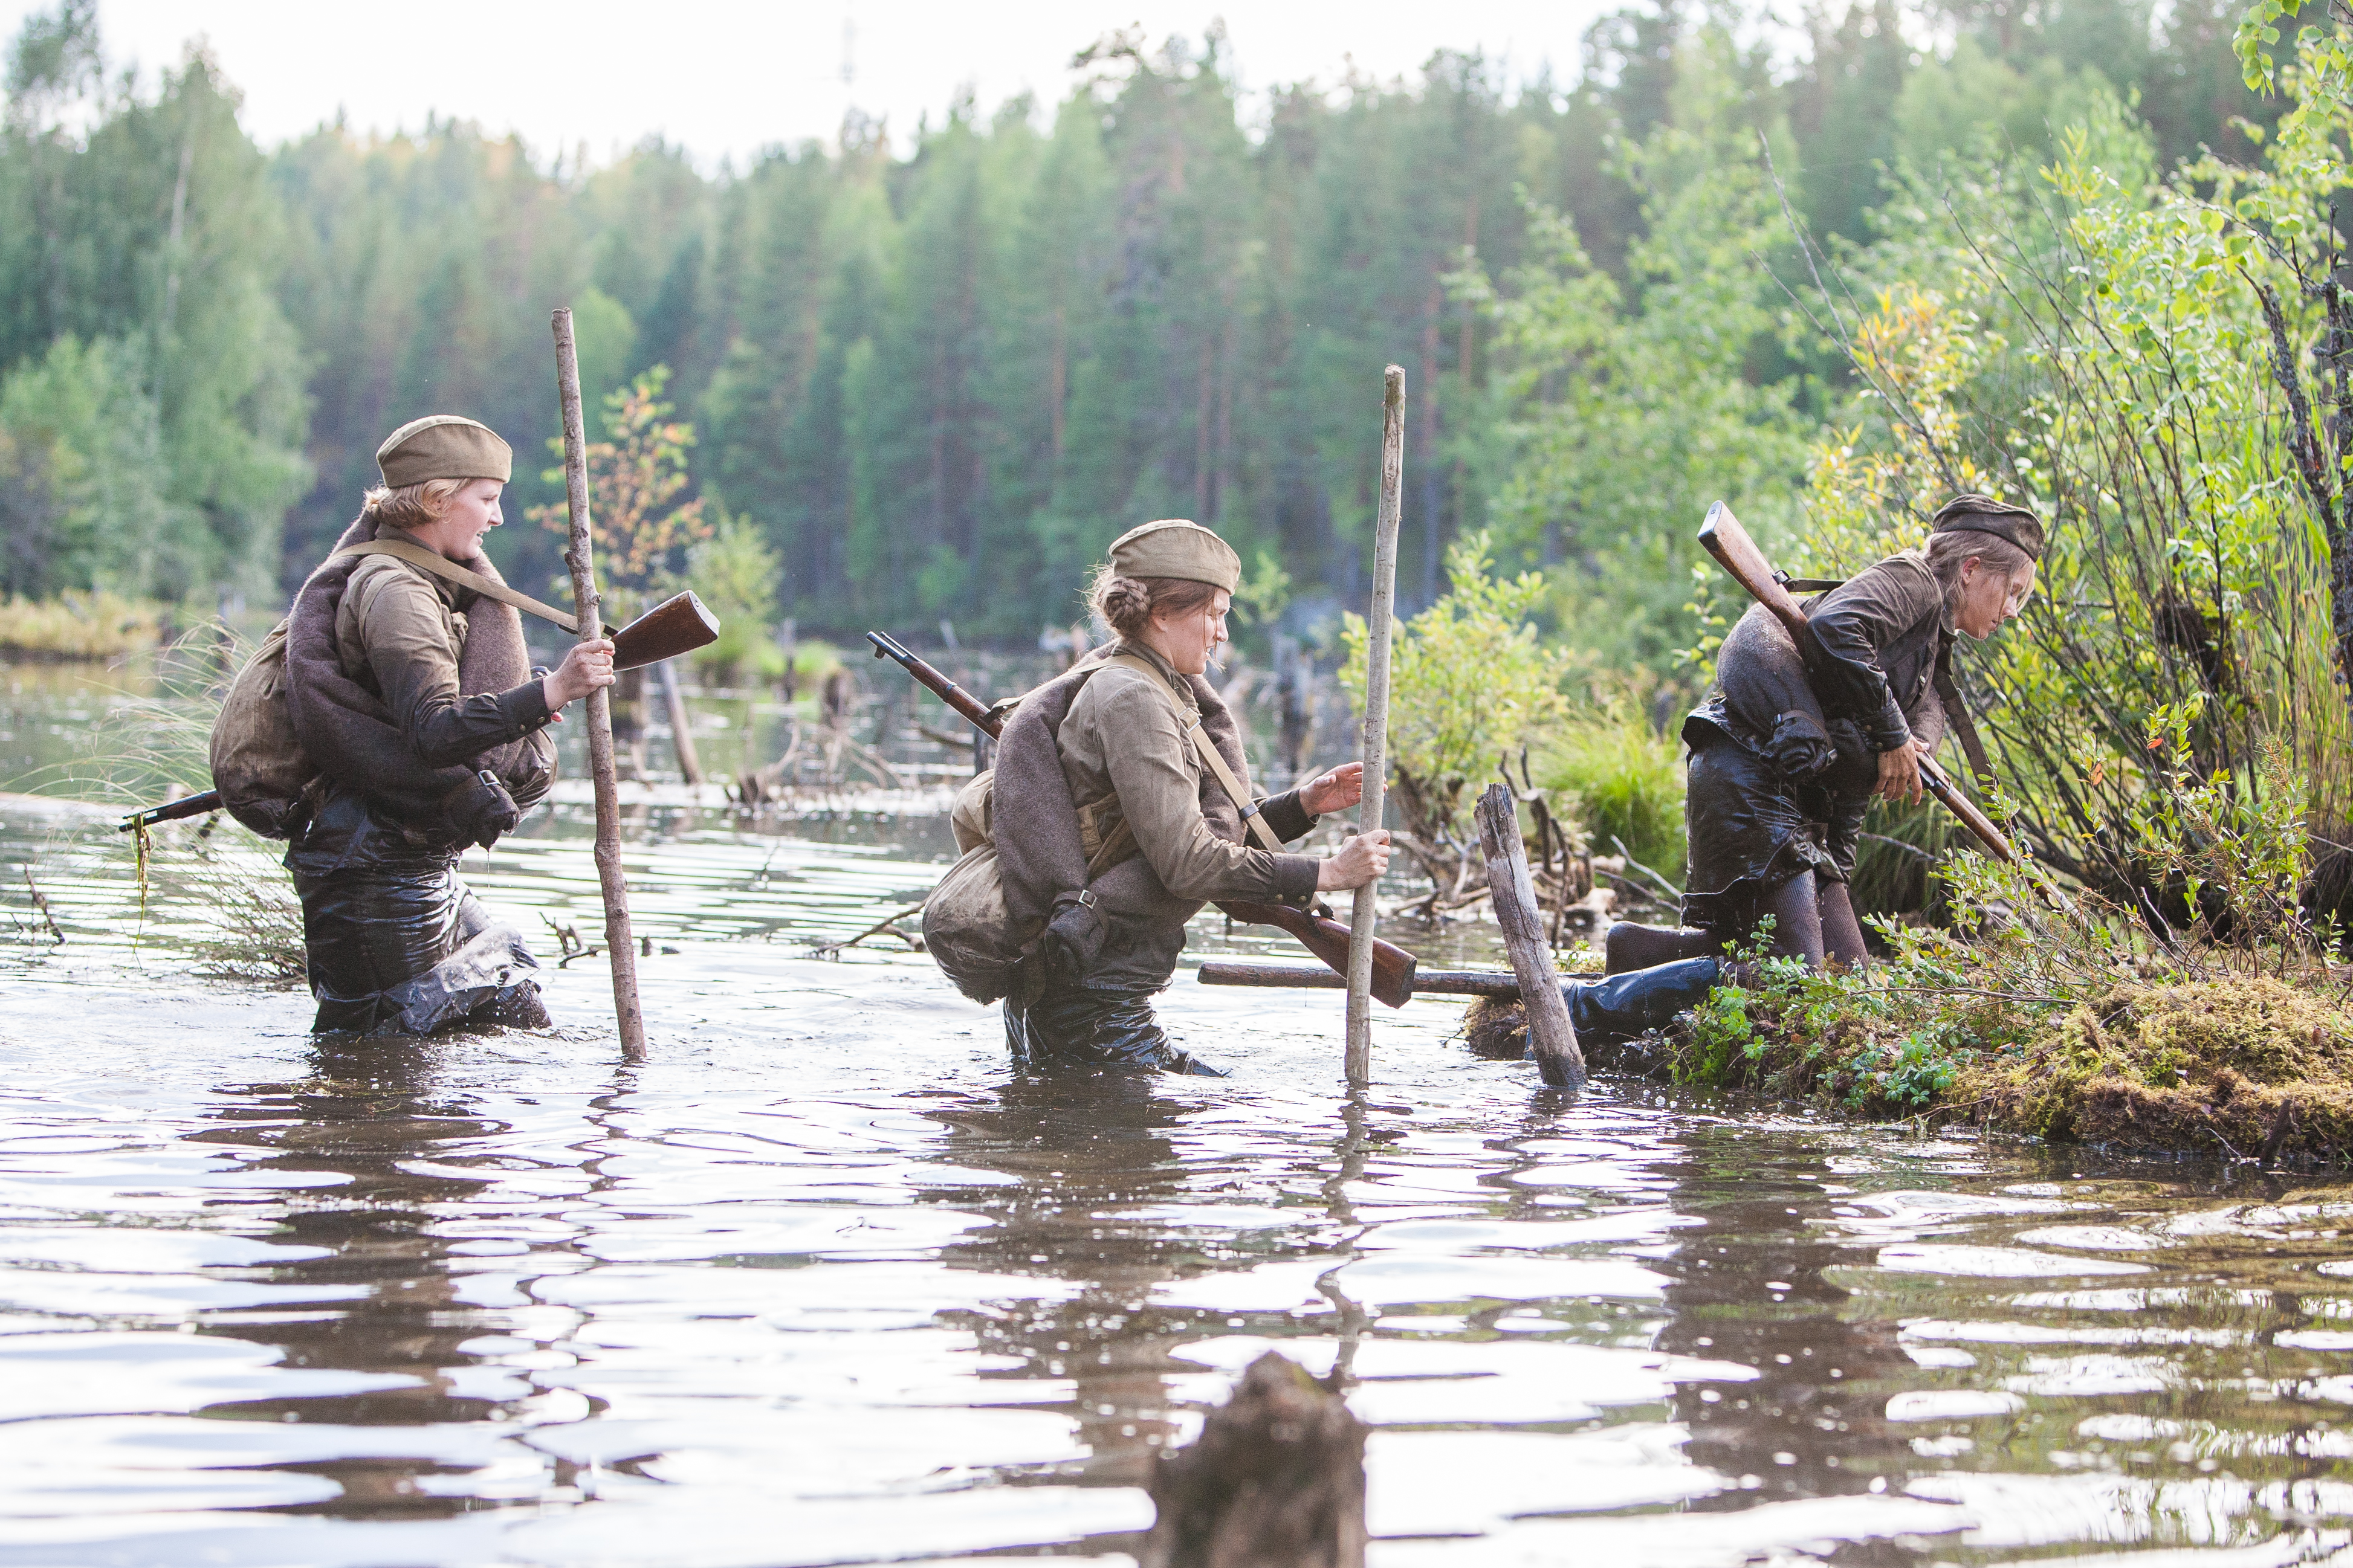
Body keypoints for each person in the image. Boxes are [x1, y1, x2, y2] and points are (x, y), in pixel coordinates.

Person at [988, 519, 1391, 1076]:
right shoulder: (1136, 699)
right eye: (1215, 614)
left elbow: (1165, 838)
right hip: (1093, 1002)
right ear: (1161, 613)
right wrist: (1328, 872)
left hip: (1079, 991)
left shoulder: (1137, 681)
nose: (1222, 633)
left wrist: (1302, 805)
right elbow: (1186, 863)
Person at [1608, 494, 2044, 974]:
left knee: (1850, 977)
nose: (2012, 610)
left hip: (1790, 799)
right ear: (1971, 569)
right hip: (1749, 774)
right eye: (2013, 591)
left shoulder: (1927, 653)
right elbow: (1834, 627)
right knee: (1797, 975)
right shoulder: (1915, 580)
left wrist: (1833, 874)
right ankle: (1585, 1007)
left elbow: (1852, 784)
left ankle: (1634, 951)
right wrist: (1895, 733)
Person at [282, 415, 617, 1034]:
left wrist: (529, 698)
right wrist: (551, 690)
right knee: (387, 1057)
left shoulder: (430, 584)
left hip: (409, 857)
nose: (497, 518)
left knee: (517, 1012)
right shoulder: (396, 592)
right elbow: (434, 732)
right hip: (371, 873)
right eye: (487, 500)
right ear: (437, 499)